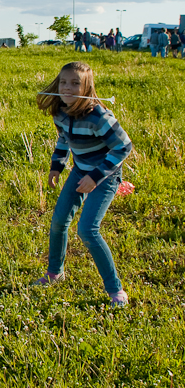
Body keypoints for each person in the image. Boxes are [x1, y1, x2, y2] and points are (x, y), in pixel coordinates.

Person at [34, 61, 132, 308]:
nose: (67, 88)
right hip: (80, 171)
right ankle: (55, 273)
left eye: (75, 83)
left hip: (105, 176)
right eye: (63, 82)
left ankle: (115, 290)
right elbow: (63, 139)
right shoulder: (61, 112)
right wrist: (56, 166)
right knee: (59, 221)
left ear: (87, 88)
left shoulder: (99, 117)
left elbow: (123, 147)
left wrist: (95, 177)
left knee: (88, 230)